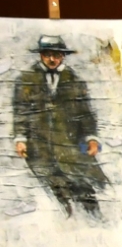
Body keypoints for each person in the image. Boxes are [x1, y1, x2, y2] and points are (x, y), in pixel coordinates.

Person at [13, 32, 108, 216]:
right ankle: (66, 222)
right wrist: (20, 138)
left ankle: (95, 222)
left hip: (69, 146)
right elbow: (20, 112)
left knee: (84, 187)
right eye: (47, 54)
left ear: (63, 56)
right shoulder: (26, 80)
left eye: (56, 55)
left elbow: (86, 114)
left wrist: (91, 138)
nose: (52, 59)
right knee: (57, 190)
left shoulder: (75, 81)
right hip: (39, 148)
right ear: (41, 55)